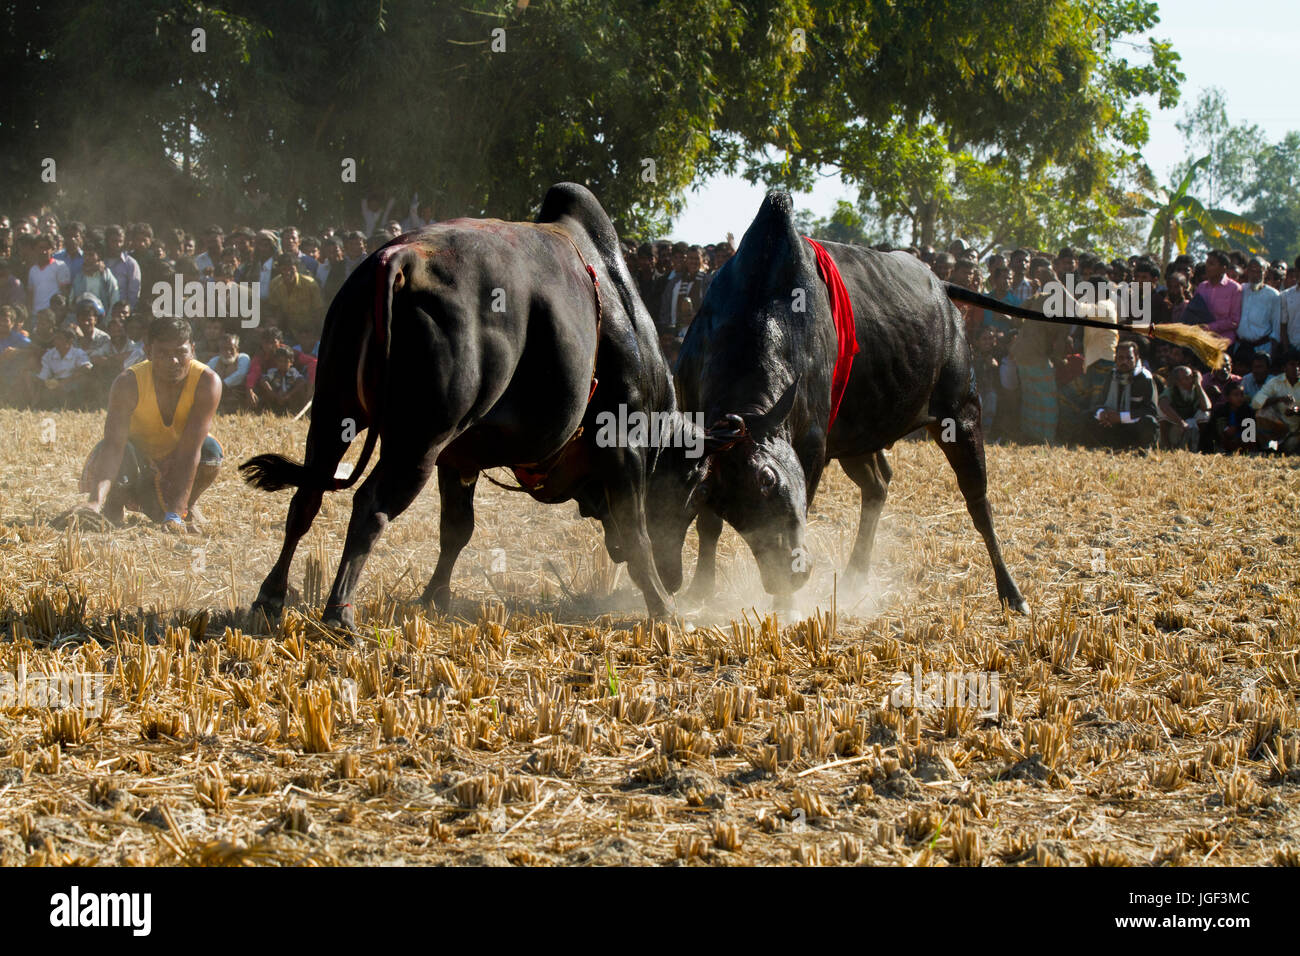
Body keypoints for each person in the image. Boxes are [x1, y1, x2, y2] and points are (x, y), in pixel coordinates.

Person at [78, 317, 222, 531]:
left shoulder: (207, 382)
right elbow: (113, 446)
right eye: (163, 354)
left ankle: (184, 506)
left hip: (176, 467)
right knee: (123, 449)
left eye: (180, 352)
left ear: (192, 349)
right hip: (135, 467)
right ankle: (113, 503)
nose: (173, 361)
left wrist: (174, 515)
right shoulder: (127, 383)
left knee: (211, 452)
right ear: (148, 353)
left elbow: (190, 451)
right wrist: (93, 503)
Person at [1077, 340, 1158, 450]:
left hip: (1133, 428)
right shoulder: (1112, 375)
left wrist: (1121, 417)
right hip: (1112, 426)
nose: (1124, 361)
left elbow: (1151, 410)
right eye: (1120, 358)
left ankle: (1141, 451)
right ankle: (1097, 449)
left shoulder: (1144, 378)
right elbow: (1100, 403)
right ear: (1115, 359)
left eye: (1129, 358)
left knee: (1149, 421)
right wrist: (1102, 413)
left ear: (1137, 358)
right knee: (1086, 416)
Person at [1250, 350, 1300, 453]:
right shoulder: (1275, 383)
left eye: (1299, 365)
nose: (1297, 368)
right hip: (1280, 431)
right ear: (1284, 367)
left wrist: (1296, 411)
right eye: (1292, 364)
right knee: (1262, 413)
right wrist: (1278, 399)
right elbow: (1255, 403)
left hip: (1297, 431)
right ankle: (1270, 449)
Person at [32, 326, 94, 409]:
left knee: (81, 382)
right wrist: (42, 384)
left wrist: (66, 381)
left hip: (73, 382)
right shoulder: (50, 354)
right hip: (56, 382)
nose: (56, 342)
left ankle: (73, 407)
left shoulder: (78, 353)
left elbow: (87, 368)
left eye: (60, 339)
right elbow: (44, 374)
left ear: (70, 341)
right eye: (55, 339)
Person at [1235, 257, 1281, 364]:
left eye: (1259, 271)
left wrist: (1272, 353)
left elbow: (1276, 327)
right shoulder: (1240, 290)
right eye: (1252, 271)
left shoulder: (1273, 295)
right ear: (1247, 272)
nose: (1255, 275)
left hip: (1262, 348)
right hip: (1240, 347)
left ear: (1265, 272)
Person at [1157, 365, 1211, 451]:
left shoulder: (1196, 389)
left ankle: (1201, 447)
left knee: (1205, 415)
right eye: (1186, 378)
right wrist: (1181, 422)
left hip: (1192, 421)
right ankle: (1166, 447)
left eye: (1191, 377)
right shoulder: (1171, 391)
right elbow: (1163, 405)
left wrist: (1199, 385)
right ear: (1178, 382)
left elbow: (1207, 407)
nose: (1190, 380)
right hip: (1176, 423)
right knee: (1160, 411)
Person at [1195, 249, 1242, 345]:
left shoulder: (1234, 288)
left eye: (1211, 264)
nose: (1207, 267)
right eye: (1207, 263)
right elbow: (1194, 311)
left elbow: (1234, 321)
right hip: (1201, 340)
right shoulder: (1202, 287)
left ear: (1223, 268)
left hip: (1222, 342)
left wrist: (1209, 327)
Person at [255, 346, 309, 414]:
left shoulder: (293, 372)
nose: (282, 364)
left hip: (289, 398)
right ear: (276, 361)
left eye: (286, 362)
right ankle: (268, 409)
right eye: (280, 361)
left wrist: (288, 395)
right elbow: (263, 381)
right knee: (265, 388)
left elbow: (302, 382)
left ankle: (296, 411)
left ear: (291, 362)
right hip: (276, 398)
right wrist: (275, 395)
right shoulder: (273, 372)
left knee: (301, 388)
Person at [27, 233, 71, 314]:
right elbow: (31, 295)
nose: (43, 251)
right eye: (40, 248)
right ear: (35, 249)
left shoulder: (60, 266)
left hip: (54, 314)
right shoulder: (33, 270)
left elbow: (65, 292)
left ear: (53, 249)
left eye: (47, 248)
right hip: (36, 315)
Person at [208, 332, 252, 410]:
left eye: (231, 349)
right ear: (220, 350)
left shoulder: (243, 358)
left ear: (237, 349)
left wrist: (221, 385)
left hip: (239, 401)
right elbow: (204, 373)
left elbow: (240, 374)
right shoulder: (215, 361)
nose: (228, 352)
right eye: (224, 349)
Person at [1210, 384, 1255, 454]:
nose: (1239, 398)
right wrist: (1226, 430)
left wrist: (1237, 428)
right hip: (1226, 441)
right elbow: (1217, 427)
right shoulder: (1221, 410)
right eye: (1236, 395)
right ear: (1227, 397)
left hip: (1243, 441)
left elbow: (1250, 431)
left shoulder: (1248, 411)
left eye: (1242, 395)